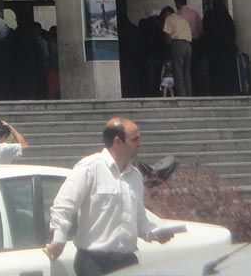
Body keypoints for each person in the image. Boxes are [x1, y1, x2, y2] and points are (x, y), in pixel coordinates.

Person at [45, 116, 177, 274]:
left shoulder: (135, 176)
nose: (139, 144)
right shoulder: (90, 167)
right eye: (134, 139)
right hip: (94, 262)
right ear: (117, 142)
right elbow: (63, 205)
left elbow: (139, 220)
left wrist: (155, 234)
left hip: (127, 260)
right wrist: (59, 241)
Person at [163, 5, 193, 97]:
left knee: (178, 70)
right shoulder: (182, 20)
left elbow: (167, 35)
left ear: (167, 13)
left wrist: (170, 47)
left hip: (177, 44)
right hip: (188, 45)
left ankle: (181, 95)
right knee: (186, 71)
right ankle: (189, 94)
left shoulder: (169, 19)